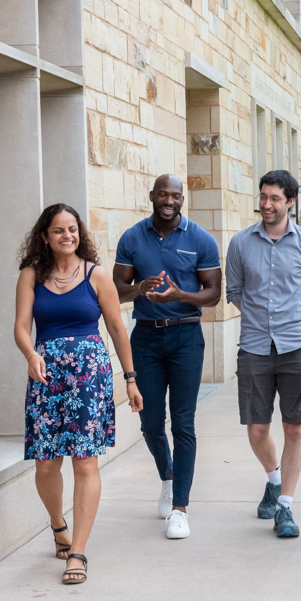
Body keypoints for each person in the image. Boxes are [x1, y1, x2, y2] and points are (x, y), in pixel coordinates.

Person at [14, 203, 143, 584]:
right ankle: (58, 524)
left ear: (79, 233)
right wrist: (31, 353)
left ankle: (79, 552)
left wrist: (130, 379)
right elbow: (21, 327)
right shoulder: (31, 276)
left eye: (72, 229)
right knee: (46, 464)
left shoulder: (97, 275)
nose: (67, 235)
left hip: (89, 377)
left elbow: (118, 330)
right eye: (58, 230)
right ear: (45, 237)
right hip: (47, 377)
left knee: (85, 463)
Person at [113, 174, 222, 540]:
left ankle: (180, 508)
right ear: (152, 196)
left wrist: (180, 295)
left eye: (175, 195)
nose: (169, 200)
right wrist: (138, 289)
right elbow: (115, 290)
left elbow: (212, 294)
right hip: (145, 338)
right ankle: (167, 477)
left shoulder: (201, 239)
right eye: (163, 194)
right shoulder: (132, 237)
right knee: (149, 422)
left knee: (183, 423)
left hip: (187, 336)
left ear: (182, 199)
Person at [226, 170, 301, 538]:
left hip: (297, 347)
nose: (266, 204)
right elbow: (234, 292)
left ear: (290, 203)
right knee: (256, 429)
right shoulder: (239, 243)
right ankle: (273, 479)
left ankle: (285, 507)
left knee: (294, 427)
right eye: (263, 197)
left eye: (274, 198)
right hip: (254, 346)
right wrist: (261, 322)